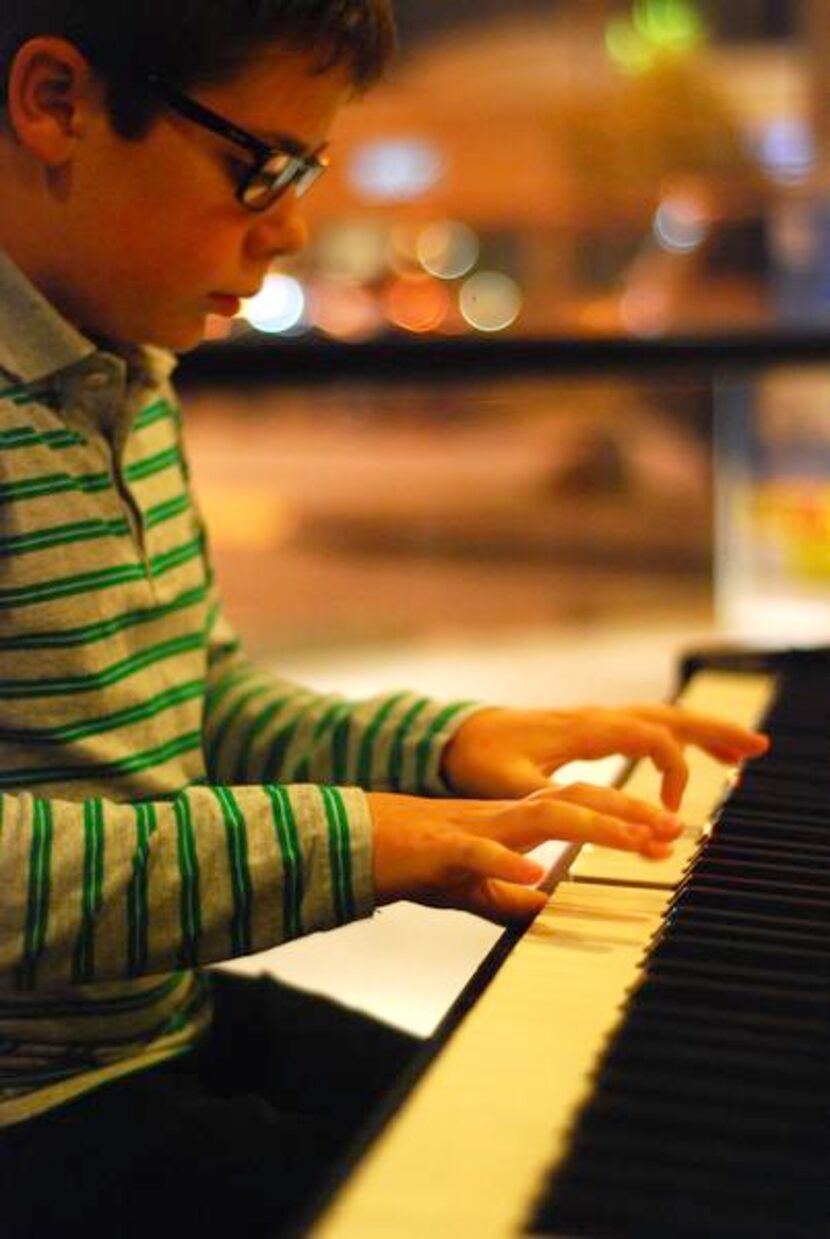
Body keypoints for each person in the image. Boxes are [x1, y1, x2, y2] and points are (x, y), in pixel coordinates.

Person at [0, 2, 768, 1235]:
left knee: (561, 1131)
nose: (294, 225)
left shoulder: (116, 374)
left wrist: (445, 755)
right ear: (57, 103)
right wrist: (360, 841)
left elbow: (195, 703)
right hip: (33, 1116)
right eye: (263, 164)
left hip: (156, 1020)